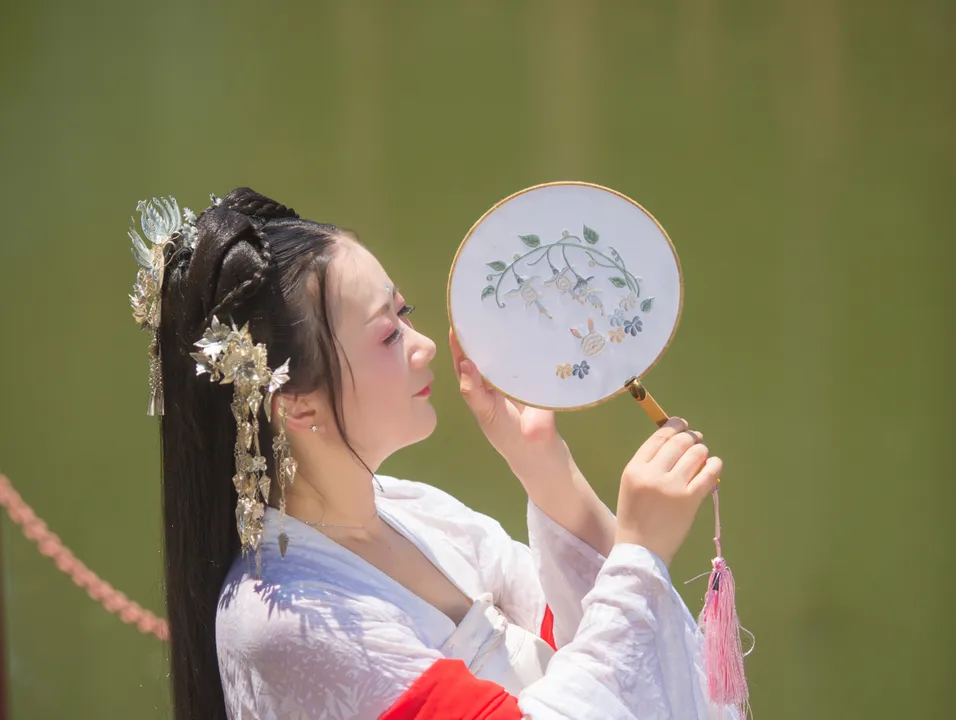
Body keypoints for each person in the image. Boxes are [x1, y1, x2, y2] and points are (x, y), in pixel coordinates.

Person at [136, 187, 732, 719]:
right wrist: (638, 557)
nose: (424, 347)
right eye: (388, 334)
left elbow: (575, 641)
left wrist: (545, 468)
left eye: (405, 313)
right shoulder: (289, 621)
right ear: (296, 404)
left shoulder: (415, 509)